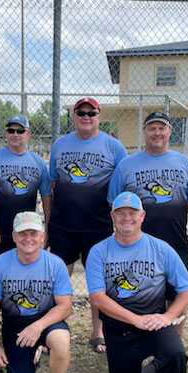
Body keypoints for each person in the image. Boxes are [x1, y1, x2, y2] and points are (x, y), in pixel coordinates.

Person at [86, 192, 188, 373]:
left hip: (154, 325)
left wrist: (168, 316)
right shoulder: (99, 251)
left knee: (176, 353)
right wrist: (134, 319)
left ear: (142, 216)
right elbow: (98, 298)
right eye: (120, 213)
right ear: (112, 217)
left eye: (132, 213)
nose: (127, 218)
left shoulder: (160, 248)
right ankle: (160, 368)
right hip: (119, 328)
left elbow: (187, 288)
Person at [108, 111, 188, 336]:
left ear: (169, 131)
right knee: (139, 292)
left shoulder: (185, 163)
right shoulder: (127, 165)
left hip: (175, 239)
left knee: (176, 295)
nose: (157, 133)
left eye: (161, 128)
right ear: (144, 132)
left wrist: (166, 212)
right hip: (136, 245)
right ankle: (138, 338)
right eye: (152, 128)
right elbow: (114, 201)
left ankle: (174, 342)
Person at [49, 97, 128, 353]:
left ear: (99, 116)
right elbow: (53, 183)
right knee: (59, 279)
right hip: (63, 224)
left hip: (98, 226)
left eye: (91, 113)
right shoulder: (60, 144)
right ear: (73, 116)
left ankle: (98, 331)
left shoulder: (114, 147)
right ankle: (55, 328)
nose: (86, 117)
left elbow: (121, 188)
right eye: (81, 112)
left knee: (99, 281)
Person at [0, 211, 73, 373]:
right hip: (15, 327)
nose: (28, 239)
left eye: (34, 233)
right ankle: (33, 357)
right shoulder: (0, 264)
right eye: (23, 234)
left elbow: (65, 306)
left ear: (42, 236)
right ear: (14, 236)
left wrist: (37, 326)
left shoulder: (55, 264)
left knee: (61, 339)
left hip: (46, 322)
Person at [0, 114, 51, 269]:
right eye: (11, 131)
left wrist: (47, 228)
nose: (15, 134)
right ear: (6, 133)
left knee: (26, 273)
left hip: (27, 232)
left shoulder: (38, 162)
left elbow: (46, 197)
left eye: (20, 131)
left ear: (28, 134)